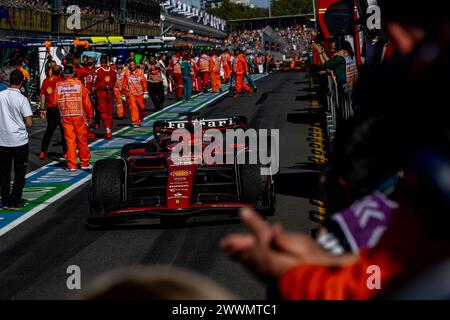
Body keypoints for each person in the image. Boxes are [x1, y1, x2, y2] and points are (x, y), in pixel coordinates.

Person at [0, 70, 33, 210]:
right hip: (19, 140)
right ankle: (15, 200)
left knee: (3, 173)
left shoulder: (0, 95)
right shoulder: (22, 99)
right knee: (20, 172)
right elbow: (29, 122)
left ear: (9, 81)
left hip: (2, 139)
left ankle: (5, 200)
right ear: (21, 82)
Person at [56, 66, 93, 171]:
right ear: (73, 74)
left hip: (65, 115)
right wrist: (90, 115)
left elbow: (54, 101)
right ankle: (84, 163)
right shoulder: (79, 84)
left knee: (70, 140)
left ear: (64, 74)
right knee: (82, 139)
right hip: (78, 114)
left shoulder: (58, 86)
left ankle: (71, 165)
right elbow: (87, 101)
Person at [39, 65, 67, 160]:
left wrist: (42, 109)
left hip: (51, 109)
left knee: (49, 131)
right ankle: (66, 152)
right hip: (60, 109)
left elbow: (42, 95)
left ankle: (43, 152)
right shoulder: (62, 81)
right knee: (64, 131)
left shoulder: (46, 81)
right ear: (60, 72)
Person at [93, 55, 117, 139]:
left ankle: (107, 128)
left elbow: (93, 82)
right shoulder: (113, 71)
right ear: (107, 61)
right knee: (109, 111)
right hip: (110, 92)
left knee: (103, 111)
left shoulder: (97, 71)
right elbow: (114, 81)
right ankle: (109, 128)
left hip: (101, 92)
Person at [122, 60, 147, 127]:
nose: (132, 66)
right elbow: (124, 82)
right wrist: (124, 92)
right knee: (133, 107)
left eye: (133, 64)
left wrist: (146, 91)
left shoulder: (140, 72)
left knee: (141, 107)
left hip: (140, 93)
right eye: (130, 65)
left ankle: (141, 119)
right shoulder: (127, 73)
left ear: (135, 65)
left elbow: (144, 81)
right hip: (131, 93)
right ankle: (135, 121)